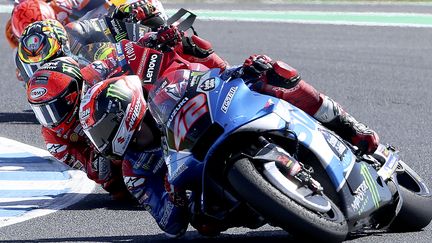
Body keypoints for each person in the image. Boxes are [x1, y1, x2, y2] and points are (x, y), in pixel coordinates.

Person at [22, 19, 133, 202]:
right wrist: (99, 147)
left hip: (130, 110)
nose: (52, 120)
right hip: (113, 157)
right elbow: (97, 172)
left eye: (54, 109)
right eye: (43, 113)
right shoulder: (53, 140)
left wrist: (128, 40)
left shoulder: (88, 74)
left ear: (71, 96)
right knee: (119, 190)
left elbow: (121, 57)